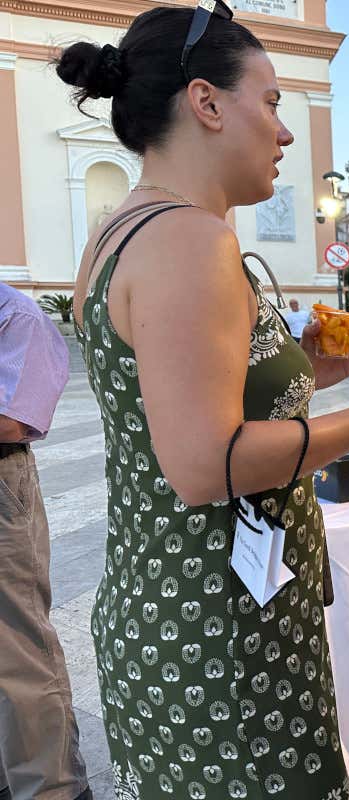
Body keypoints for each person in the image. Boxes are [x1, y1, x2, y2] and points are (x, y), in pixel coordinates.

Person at [56, 5, 349, 798]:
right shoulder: (190, 240)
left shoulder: (119, 230)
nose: (285, 131)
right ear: (205, 102)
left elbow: (183, 396)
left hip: (173, 613)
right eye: (269, 102)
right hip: (220, 634)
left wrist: (308, 373)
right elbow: (207, 463)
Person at [0, 283, 91, 800]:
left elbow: (15, 420)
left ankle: (51, 790)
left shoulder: (17, 315)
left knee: (17, 647)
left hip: (1, 482)